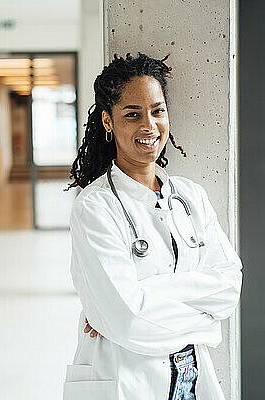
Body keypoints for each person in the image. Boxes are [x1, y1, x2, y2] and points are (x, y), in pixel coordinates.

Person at [62, 52, 243, 400]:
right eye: (133, 114)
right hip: (125, 378)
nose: (149, 125)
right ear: (108, 121)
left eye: (157, 111)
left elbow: (229, 288)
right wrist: (205, 323)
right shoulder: (96, 206)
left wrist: (145, 294)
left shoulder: (190, 196)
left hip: (189, 378)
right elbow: (127, 320)